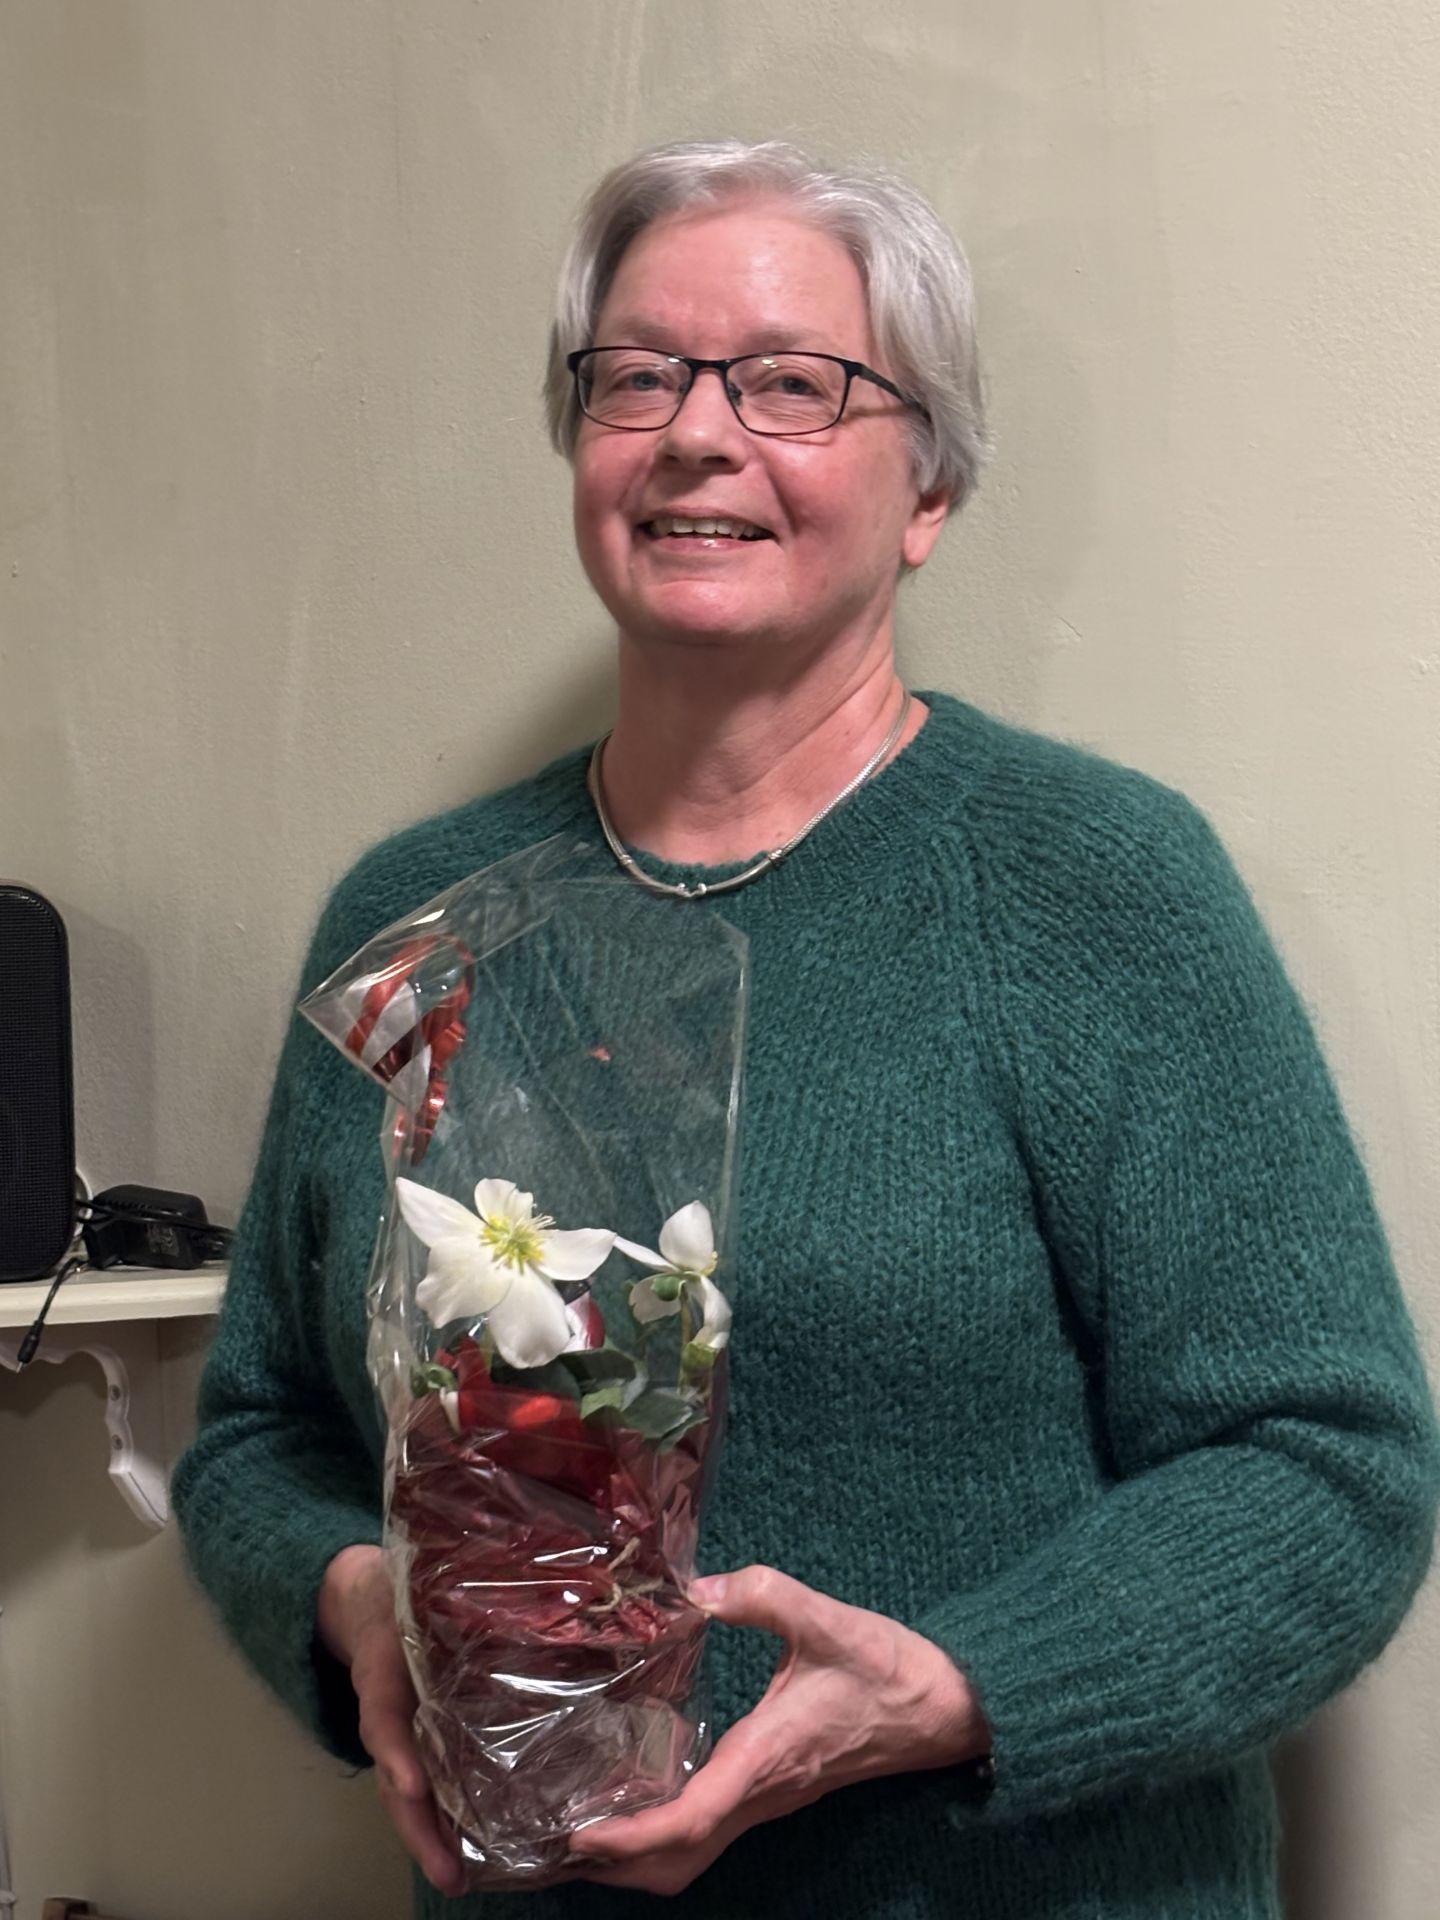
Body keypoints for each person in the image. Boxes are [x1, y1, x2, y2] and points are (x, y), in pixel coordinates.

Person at [173, 139, 1439, 1920]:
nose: (698, 433)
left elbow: (1328, 1470)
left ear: (930, 489)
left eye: (791, 384)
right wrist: (354, 1600)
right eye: (637, 376)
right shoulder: (417, 917)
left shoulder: (1096, 889)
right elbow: (260, 1434)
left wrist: (958, 1691)